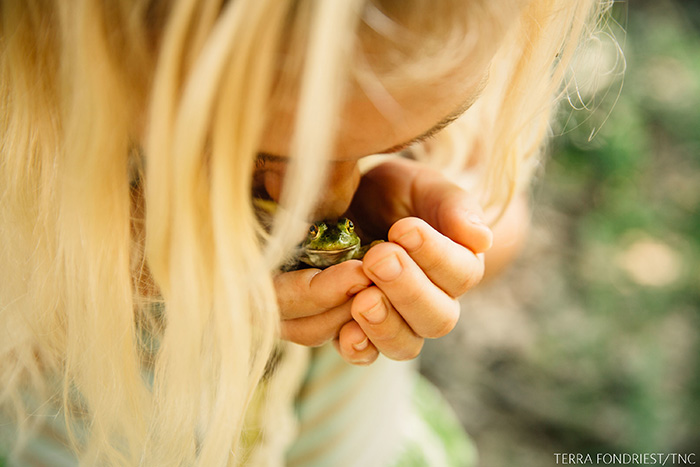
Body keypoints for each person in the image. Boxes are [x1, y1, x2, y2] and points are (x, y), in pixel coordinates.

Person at [0, 0, 612, 465]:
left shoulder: (441, 36)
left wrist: (447, 242)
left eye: (398, 144)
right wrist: (119, 257)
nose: (328, 201)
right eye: (258, 152)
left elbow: (501, 228)